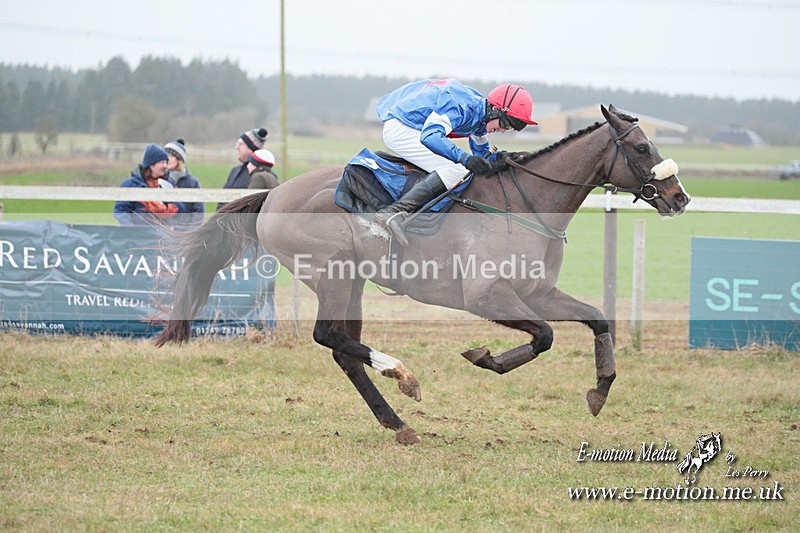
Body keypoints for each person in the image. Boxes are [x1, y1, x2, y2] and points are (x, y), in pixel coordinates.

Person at [374, 78, 537, 245]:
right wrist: (465, 159)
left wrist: (503, 157)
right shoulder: (462, 105)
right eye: (504, 123)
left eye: (509, 127)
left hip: (414, 128)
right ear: (495, 109)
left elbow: (481, 154)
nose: (502, 130)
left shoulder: (481, 116)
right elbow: (430, 136)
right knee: (457, 171)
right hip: (402, 129)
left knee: (462, 168)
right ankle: (394, 212)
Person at [113, 144, 185, 226]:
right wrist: (131, 231)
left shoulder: (168, 184)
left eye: (166, 162)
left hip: (163, 236)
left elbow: (182, 208)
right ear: (151, 165)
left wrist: (171, 206)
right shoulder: (130, 185)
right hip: (137, 236)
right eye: (161, 162)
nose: (165, 166)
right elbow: (121, 211)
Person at [216, 127, 268, 210]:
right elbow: (222, 200)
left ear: (251, 148)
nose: (237, 147)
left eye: (241, 144)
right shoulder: (235, 171)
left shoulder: (263, 174)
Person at [165, 138, 205, 225]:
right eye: (166, 155)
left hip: (186, 232)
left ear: (179, 159)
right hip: (164, 233)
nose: (167, 159)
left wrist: (191, 232)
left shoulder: (192, 182)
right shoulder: (162, 180)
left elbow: (198, 211)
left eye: (171, 156)